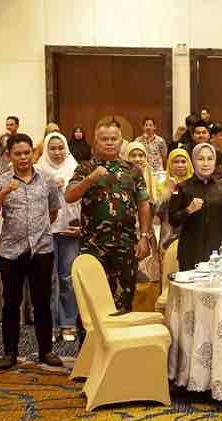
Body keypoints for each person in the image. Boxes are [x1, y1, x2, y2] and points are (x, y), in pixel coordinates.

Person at [65, 122, 151, 314]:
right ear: (96, 142)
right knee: (92, 301)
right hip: (93, 245)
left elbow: (143, 203)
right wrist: (90, 179)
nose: (110, 143)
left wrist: (145, 236)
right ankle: (90, 335)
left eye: (114, 139)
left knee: (124, 300)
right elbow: (69, 196)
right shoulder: (85, 167)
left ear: (121, 142)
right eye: (105, 139)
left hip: (125, 244)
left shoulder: (133, 170)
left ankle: (121, 334)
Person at [0, 133, 62, 369]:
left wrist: (39, 231)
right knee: (11, 303)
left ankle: (46, 351)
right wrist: (4, 193)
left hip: (42, 249)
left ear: (33, 153)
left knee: (42, 302)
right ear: (9, 155)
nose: (23, 157)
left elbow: (53, 210)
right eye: (18, 154)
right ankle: (10, 352)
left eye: (27, 153)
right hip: (11, 251)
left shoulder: (47, 179)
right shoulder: (0, 181)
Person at [168, 143, 222, 270]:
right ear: (193, 161)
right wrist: (188, 210)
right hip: (191, 254)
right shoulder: (182, 188)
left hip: (220, 253)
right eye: (201, 159)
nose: (205, 164)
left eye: (210, 159)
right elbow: (173, 220)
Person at [35, 132, 81, 341]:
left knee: (68, 279)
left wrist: (80, 226)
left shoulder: (75, 168)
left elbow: (83, 201)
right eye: (52, 148)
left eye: (60, 148)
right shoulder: (37, 171)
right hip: (45, 233)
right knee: (47, 280)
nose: (57, 152)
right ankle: (50, 325)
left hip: (70, 231)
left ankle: (68, 324)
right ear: (46, 149)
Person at [127, 142, 160, 282]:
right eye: (133, 155)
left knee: (149, 277)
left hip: (147, 231)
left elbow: (156, 205)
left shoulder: (151, 176)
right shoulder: (123, 176)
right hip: (129, 231)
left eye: (141, 155)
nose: (138, 159)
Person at [156, 148, 193, 251]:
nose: (180, 165)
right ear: (169, 164)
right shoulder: (161, 185)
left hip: (191, 232)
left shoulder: (195, 184)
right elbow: (157, 216)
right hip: (168, 235)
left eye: (183, 161)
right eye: (176, 162)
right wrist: (169, 192)